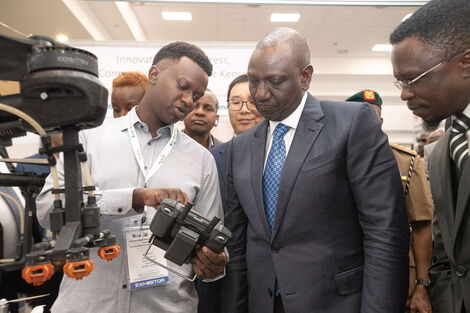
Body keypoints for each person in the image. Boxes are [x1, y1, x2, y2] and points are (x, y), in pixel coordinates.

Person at [225, 27, 409, 313]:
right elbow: (238, 244)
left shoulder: (350, 124)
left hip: (336, 303)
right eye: (253, 81)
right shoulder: (241, 147)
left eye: (275, 81)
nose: (260, 93)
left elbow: (384, 231)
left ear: (305, 77)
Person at [36, 42, 228, 313]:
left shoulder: (202, 160)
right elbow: (46, 209)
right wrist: (134, 197)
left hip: (165, 306)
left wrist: (214, 261)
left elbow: (208, 240)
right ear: (153, 74)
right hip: (89, 304)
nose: (188, 101)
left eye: (196, 95)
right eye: (183, 86)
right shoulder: (90, 139)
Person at [390, 1, 470, 312]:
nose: (404, 94)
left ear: (465, 63)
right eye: (401, 82)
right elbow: (446, 254)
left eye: (413, 78)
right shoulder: (437, 153)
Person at [346, 90, 434, 313]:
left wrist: (422, 286)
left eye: (372, 115)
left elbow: (422, 227)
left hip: (398, 277)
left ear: (381, 120)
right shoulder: (330, 162)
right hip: (345, 277)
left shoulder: (407, 162)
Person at [196, 74, 265, 313]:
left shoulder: (279, 158)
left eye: (252, 101)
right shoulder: (212, 158)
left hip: (269, 281)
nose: (244, 109)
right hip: (221, 280)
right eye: (236, 102)